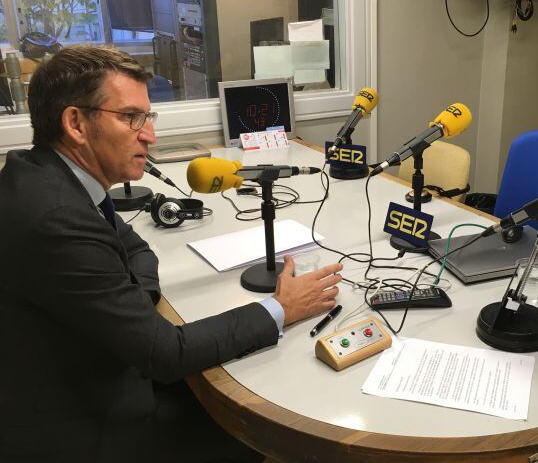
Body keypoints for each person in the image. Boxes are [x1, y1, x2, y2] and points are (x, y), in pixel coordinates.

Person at [0, 45, 342, 462]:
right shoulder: (56, 218)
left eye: (148, 117)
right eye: (131, 118)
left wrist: (131, 303)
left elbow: (136, 249)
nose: (150, 134)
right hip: (86, 426)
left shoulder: (42, 176)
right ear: (75, 123)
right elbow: (165, 353)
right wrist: (280, 309)